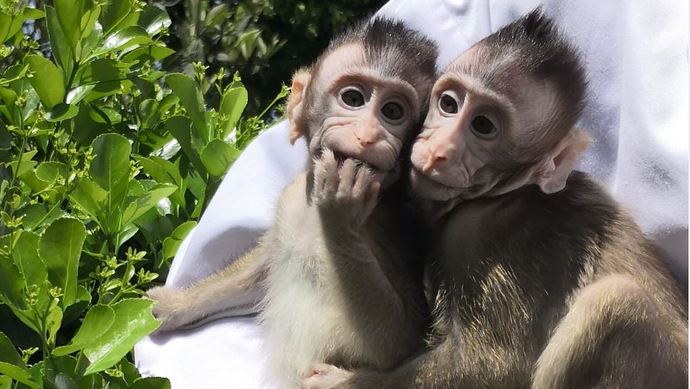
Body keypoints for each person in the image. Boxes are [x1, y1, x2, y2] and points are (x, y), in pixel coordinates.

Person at [134, 1, 688, 387]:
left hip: (636, 355)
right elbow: (280, 253)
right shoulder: (412, 200)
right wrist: (185, 304)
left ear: (553, 164)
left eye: (486, 127)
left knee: (612, 304)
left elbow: (482, 363)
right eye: (447, 105)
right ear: (300, 101)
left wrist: (369, 384)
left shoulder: (487, 227)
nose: (440, 147)